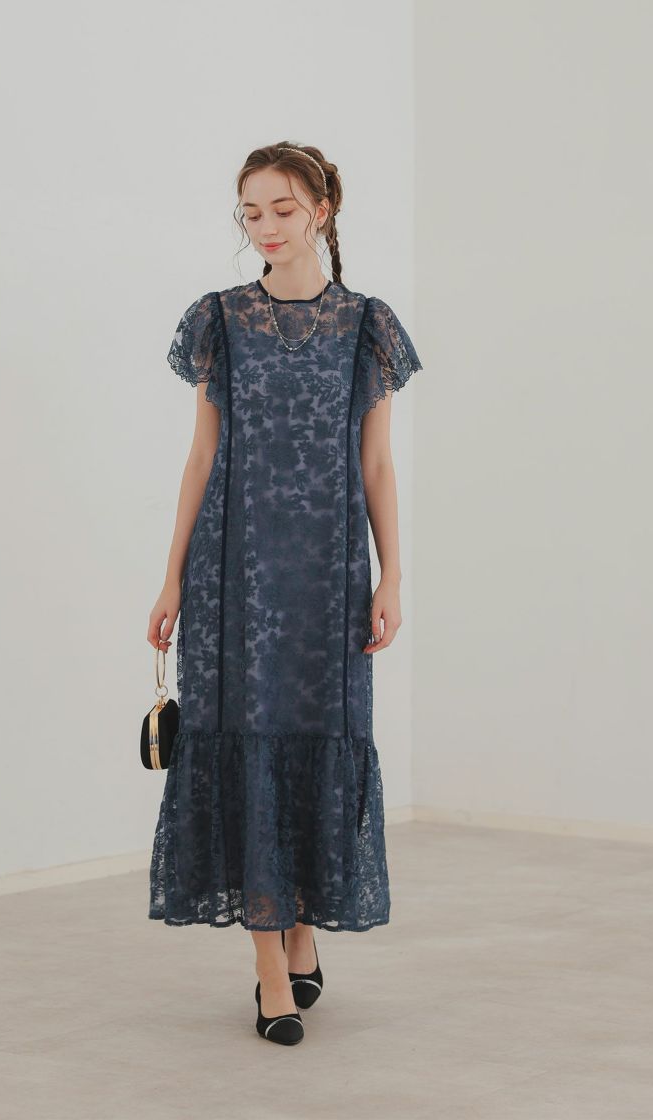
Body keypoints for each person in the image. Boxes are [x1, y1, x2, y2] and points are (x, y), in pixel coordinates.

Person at [146, 142, 423, 1046]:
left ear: (322, 210)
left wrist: (391, 575)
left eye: (281, 208)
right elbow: (201, 457)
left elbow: (376, 464)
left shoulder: (367, 325)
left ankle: (301, 929)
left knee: (315, 745)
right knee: (247, 746)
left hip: (328, 578)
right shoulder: (220, 321)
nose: (264, 226)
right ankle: (271, 971)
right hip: (235, 577)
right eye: (250, 211)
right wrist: (172, 575)